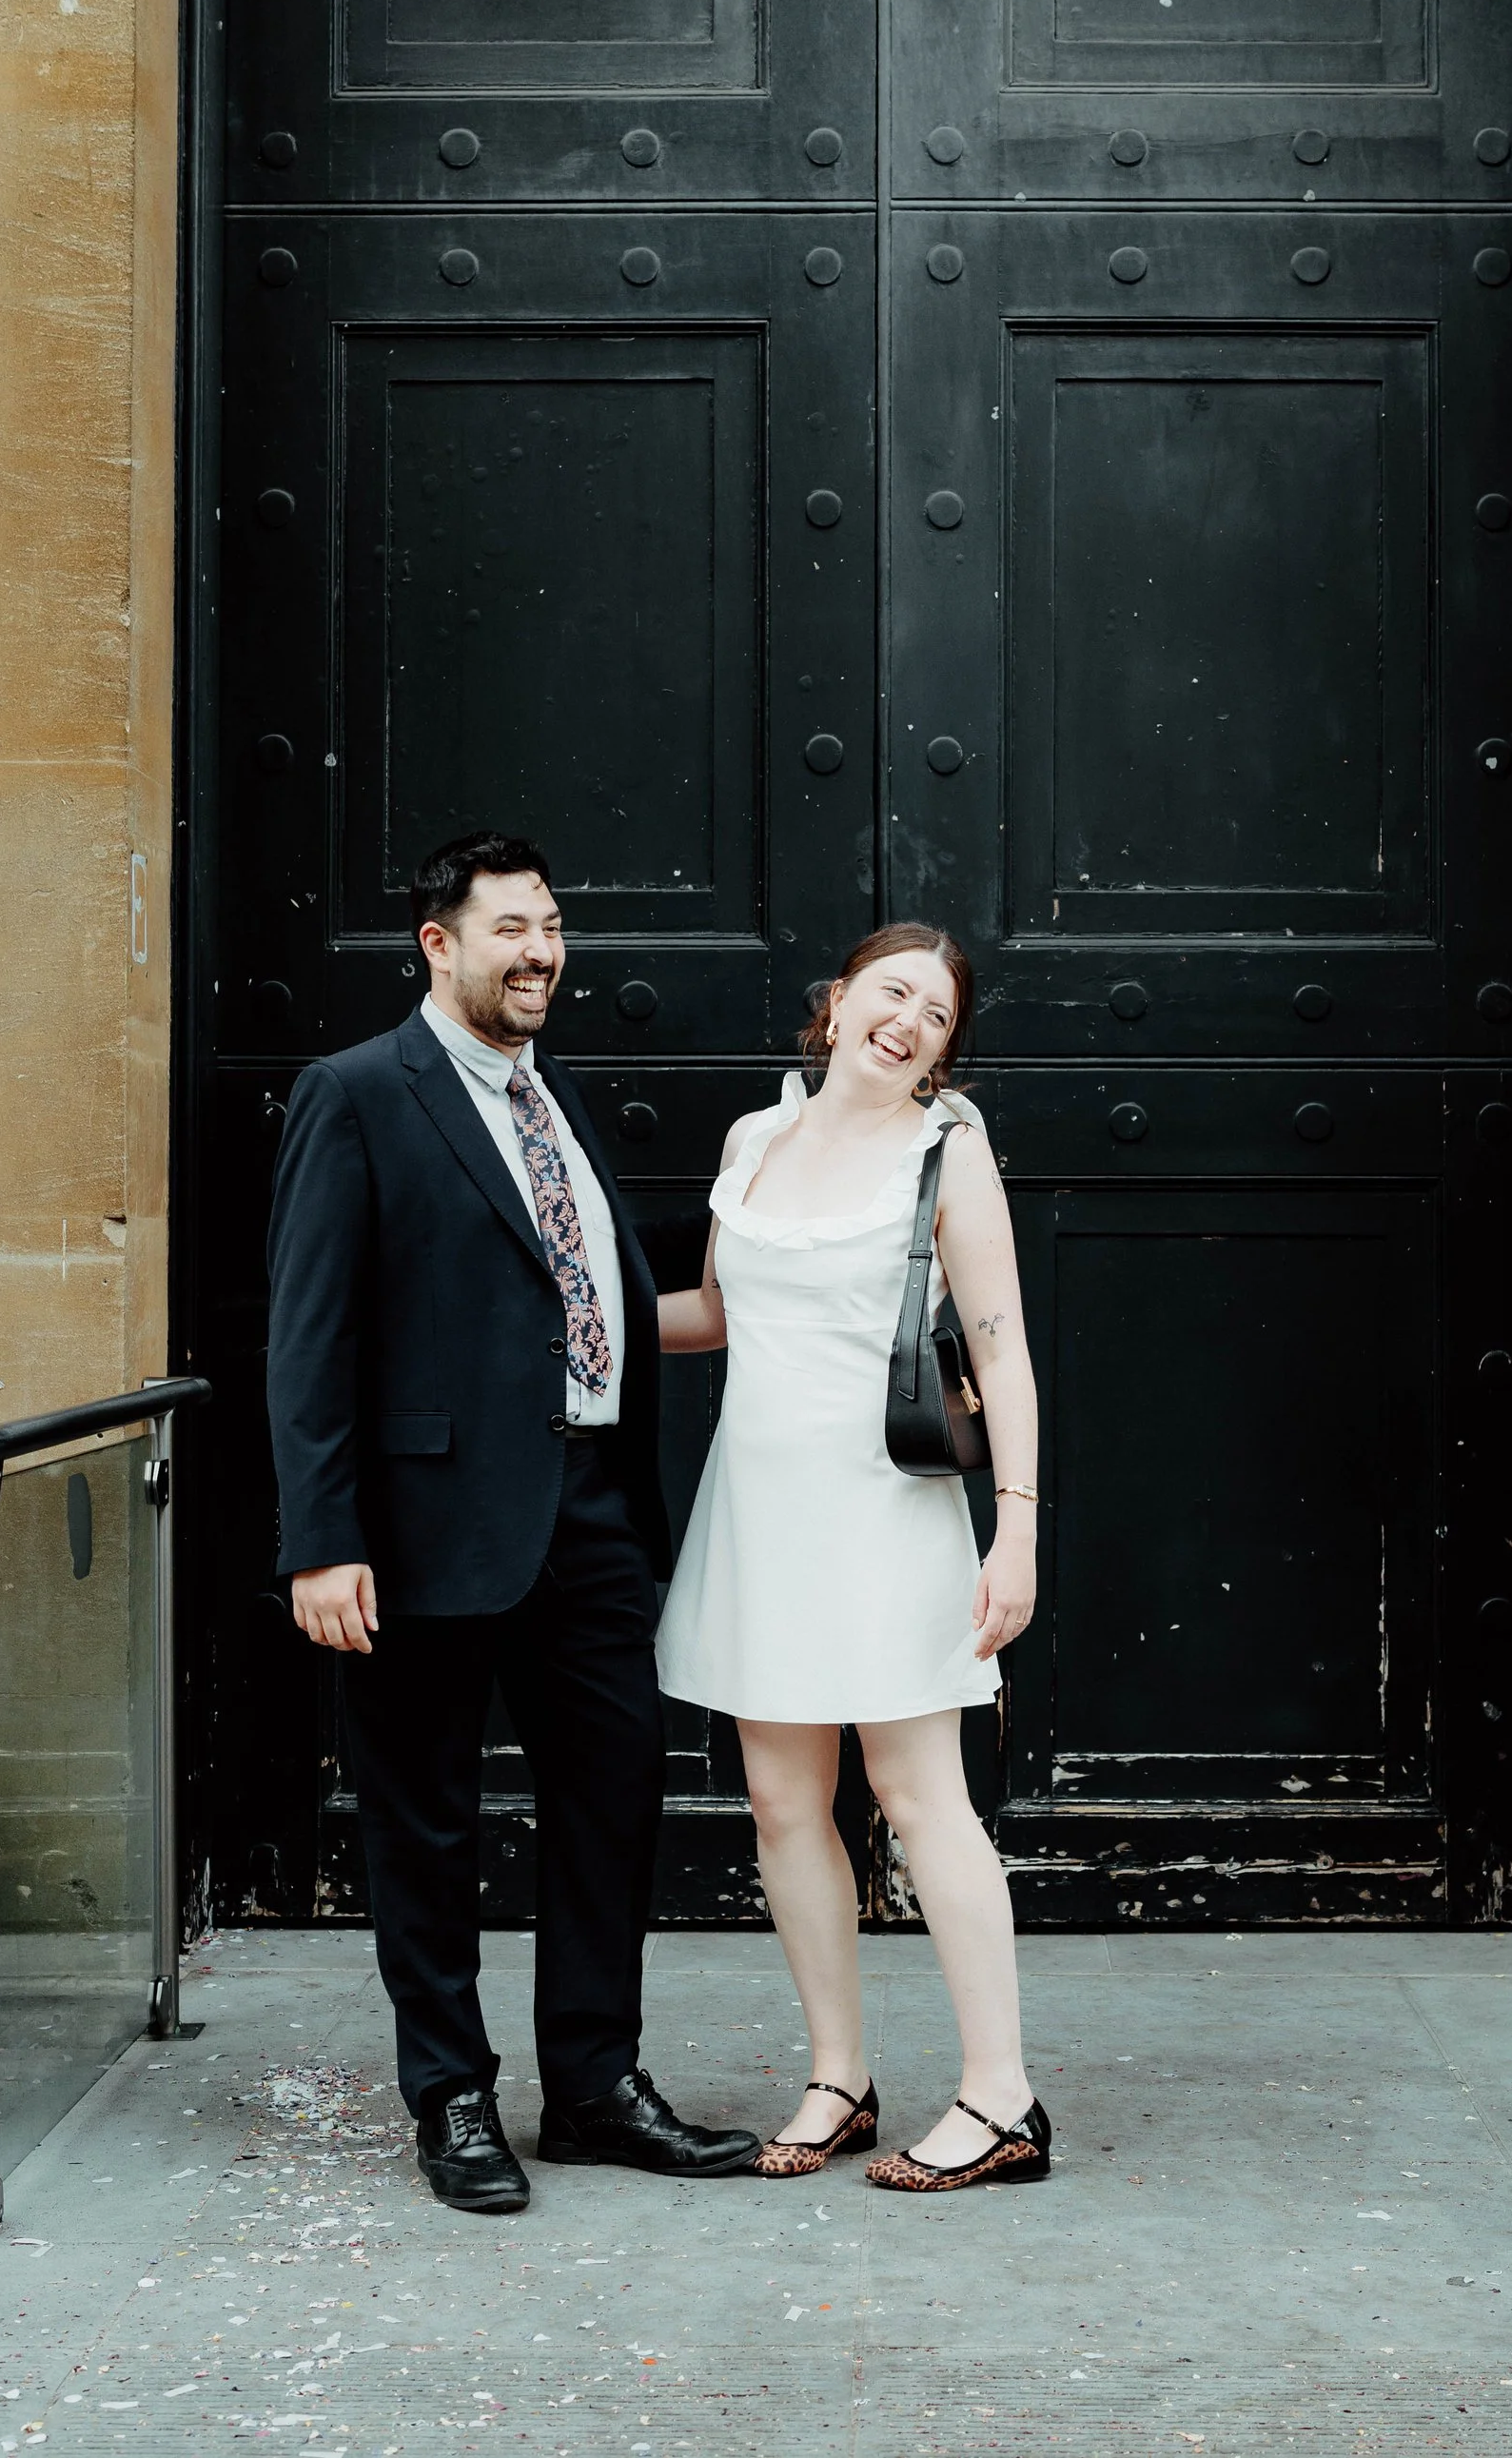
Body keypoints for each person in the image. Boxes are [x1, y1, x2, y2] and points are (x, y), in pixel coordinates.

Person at [264, 829, 760, 2213]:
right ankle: (453, 2096)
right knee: (420, 1822)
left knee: (613, 1802)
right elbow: (309, 1339)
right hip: (419, 1527)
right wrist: (321, 1536)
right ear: (440, 943)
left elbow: (570, 1296)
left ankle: (595, 2089)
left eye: (551, 926)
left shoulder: (558, 1103)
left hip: (594, 1510)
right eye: (511, 930)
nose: (542, 952)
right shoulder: (357, 1094)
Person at [653, 923, 1051, 2192]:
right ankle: (840, 2076)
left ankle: (1002, 2098)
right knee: (780, 1801)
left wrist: (1018, 1527)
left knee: (921, 1797)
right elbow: (717, 1313)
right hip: (759, 1513)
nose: (909, 1021)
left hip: (886, 1517)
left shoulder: (949, 1147)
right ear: (835, 1005)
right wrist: (559, 1318)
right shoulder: (753, 1141)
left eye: (935, 1016)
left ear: (940, 1052)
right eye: (893, 992)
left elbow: (1000, 1350)